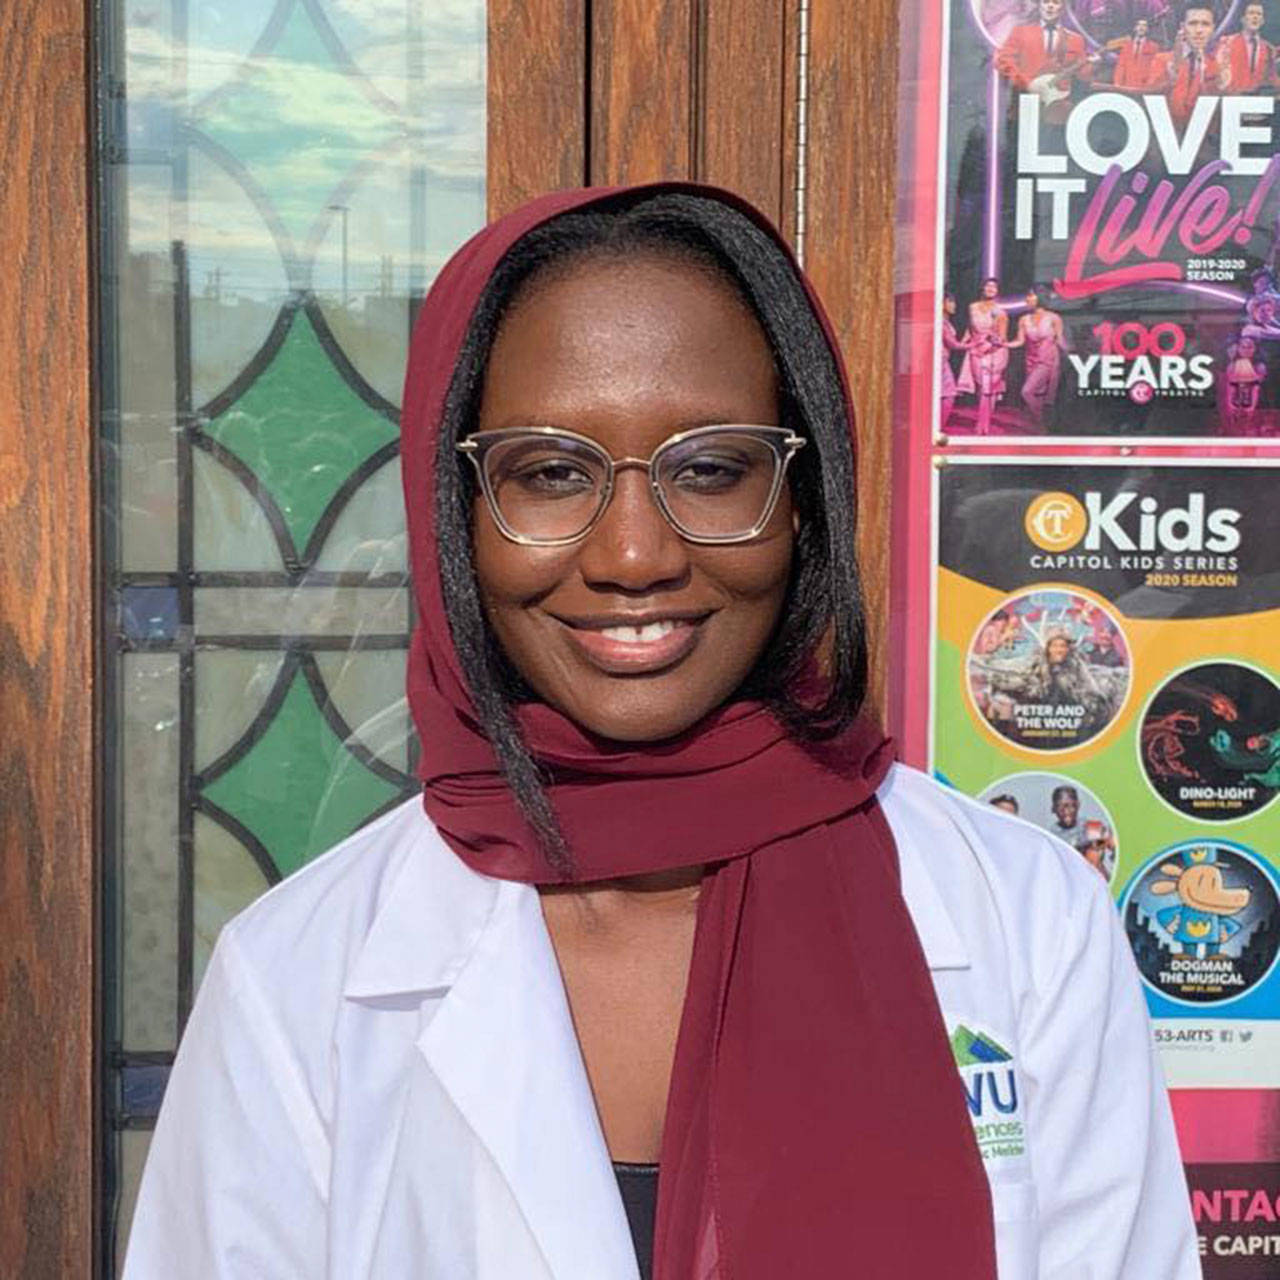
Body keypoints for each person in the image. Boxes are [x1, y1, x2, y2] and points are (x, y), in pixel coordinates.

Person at [121, 185, 1198, 1280]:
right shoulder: (299, 975)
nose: (633, 554)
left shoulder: (1026, 917)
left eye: (709, 467)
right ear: (453, 510)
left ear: (801, 497)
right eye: (547, 474)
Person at [995, 0, 1097, 98]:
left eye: (1056, 2)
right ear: (1039, 5)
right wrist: (1025, 83)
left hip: (1059, 101)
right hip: (1026, 96)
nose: (1050, 6)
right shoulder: (1021, 32)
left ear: (1063, 8)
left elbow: (1083, 76)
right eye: (1046, 1)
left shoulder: (1075, 39)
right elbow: (1003, 61)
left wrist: (1091, 64)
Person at [1147, 6, 1230, 123]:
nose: (1199, 30)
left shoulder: (1216, 66)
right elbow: (1150, 98)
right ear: (1182, 27)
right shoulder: (1162, 60)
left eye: (1205, 24)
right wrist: (1172, 74)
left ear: (1212, 29)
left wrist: (1222, 83)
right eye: (1193, 23)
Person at [1004, 285, 1066, 427]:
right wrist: (1004, 344)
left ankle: (1041, 423)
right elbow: (1019, 341)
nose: (1027, 298)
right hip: (1031, 362)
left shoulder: (1054, 318)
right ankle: (1042, 427)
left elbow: (1060, 340)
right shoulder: (1024, 319)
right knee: (1037, 396)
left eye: (1030, 295)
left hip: (1048, 362)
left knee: (1026, 392)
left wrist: (1074, 352)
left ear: (1040, 297)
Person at [957, 277, 1010, 435]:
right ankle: (985, 419)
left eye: (994, 287)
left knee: (988, 388)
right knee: (982, 387)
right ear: (983, 288)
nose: (990, 289)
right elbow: (970, 328)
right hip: (975, 350)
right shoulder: (972, 307)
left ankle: (983, 424)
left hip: (994, 352)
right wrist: (961, 343)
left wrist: (992, 344)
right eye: (988, 285)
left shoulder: (1001, 312)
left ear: (998, 291)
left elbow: (1002, 337)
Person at [1219, 1, 1276, 91]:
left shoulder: (1268, 49)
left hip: (1258, 100)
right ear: (1242, 18)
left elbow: (1272, 79)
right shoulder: (1226, 43)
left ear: (1262, 20)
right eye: (1251, 13)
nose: (1255, 17)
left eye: (1259, 14)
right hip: (1232, 99)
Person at [940, 291, 972, 429]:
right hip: (940, 362)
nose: (954, 305)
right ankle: (938, 427)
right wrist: (974, 345)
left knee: (946, 395)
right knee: (949, 395)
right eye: (951, 301)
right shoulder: (941, 322)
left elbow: (954, 342)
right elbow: (953, 344)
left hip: (943, 361)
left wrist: (966, 339)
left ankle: (938, 426)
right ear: (942, 303)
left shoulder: (946, 321)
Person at [1110, 17, 1163, 87]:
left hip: (1144, 86)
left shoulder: (1154, 47)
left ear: (1147, 29)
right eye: (1139, 25)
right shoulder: (1126, 47)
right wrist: (1117, 83)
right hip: (1127, 86)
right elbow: (1120, 67)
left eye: (1144, 25)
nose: (1141, 27)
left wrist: (1150, 85)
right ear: (1135, 28)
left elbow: (1155, 69)